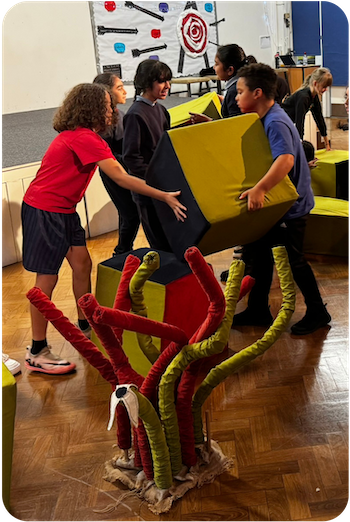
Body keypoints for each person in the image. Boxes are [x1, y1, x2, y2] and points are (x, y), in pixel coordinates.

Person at [22, 83, 186, 375]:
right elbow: (121, 177)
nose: (113, 110)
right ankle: (37, 351)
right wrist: (162, 195)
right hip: (45, 210)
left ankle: (86, 324)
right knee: (46, 280)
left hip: (63, 210)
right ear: (94, 109)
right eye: (109, 106)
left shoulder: (82, 136)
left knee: (82, 263)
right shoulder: (84, 138)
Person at [231, 63, 331, 335]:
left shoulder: (275, 120)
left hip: (291, 207)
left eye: (240, 92)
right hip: (280, 206)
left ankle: (318, 312)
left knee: (294, 261)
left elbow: (285, 159)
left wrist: (260, 189)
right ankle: (258, 309)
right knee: (260, 255)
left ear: (258, 93)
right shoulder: (268, 116)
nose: (236, 97)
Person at [122, 59, 175, 251]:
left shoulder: (160, 109)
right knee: (159, 243)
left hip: (163, 186)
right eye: (162, 81)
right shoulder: (135, 114)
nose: (167, 86)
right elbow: (131, 158)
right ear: (146, 83)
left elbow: (165, 144)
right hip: (147, 190)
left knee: (172, 239)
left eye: (168, 81)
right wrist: (155, 178)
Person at [93, 73, 140, 256]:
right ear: (106, 92)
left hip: (124, 170)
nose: (124, 91)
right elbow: (109, 154)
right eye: (119, 88)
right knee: (130, 214)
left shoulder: (119, 114)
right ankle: (121, 253)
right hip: (114, 172)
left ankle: (123, 252)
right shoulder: (104, 121)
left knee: (129, 214)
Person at [189, 44, 249, 124]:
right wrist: (225, 100)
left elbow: (234, 126)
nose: (214, 67)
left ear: (230, 70)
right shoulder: (238, 85)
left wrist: (208, 121)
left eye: (216, 64)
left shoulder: (234, 91)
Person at [282, 67, 333, 150]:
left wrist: (327, 143)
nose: (325, 89)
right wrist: (300, 145)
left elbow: (319, 119)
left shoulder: (314, 96)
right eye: (324, 86)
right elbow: (300, 122)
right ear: (315, 83)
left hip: (289, 122)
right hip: (282, 122)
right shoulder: (303, 97)